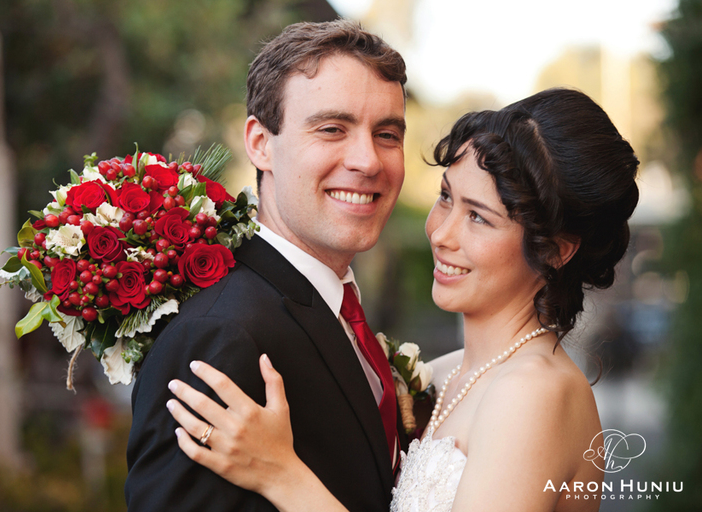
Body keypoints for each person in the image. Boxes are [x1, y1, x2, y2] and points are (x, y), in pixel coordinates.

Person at [165, 88, 640, 511]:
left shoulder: (533, 391)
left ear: (555, 251)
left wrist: (280, 475)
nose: (442, 234)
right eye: (447, 197)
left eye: (479, 218)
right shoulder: (451, 371)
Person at [125, 20, 410, 511]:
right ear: (260, 143)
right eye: (332, 129)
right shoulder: (222, 337)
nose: (368, 160)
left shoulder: (334, 309)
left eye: (387, 134)